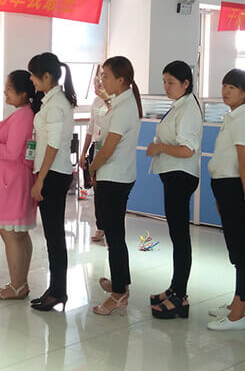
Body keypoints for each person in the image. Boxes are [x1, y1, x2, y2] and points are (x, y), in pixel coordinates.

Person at [207, 68, 245, 331]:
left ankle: (239, 314)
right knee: (234, 247)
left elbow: (244, 163)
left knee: (240, 250)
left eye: (232, 87)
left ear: (244, 92)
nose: (225, 91)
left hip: (233, 187)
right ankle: (235, 303)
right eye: (224, 86)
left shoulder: (243, 119)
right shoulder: (233, 116)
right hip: (224, 186)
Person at [147, 61, 202, 319]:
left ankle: (180, 296)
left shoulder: (188, 109)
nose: (166, 87)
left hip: (181, 176)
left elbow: (187, 149)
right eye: (164, 81)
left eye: (171, 82)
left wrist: (159, 148)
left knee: (180, 238)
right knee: (176, 236)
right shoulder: (179, 105)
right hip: (173, 176)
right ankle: (174, 288)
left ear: (185, 83)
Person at [90, 56, 143, 316]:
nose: (102, 80)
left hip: (114, 177)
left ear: (121, 80)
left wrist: (92, 167)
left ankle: (119, 293)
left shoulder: (123, 108)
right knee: (115, 236)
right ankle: (121, 282)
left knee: (114, 237)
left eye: (107, 76)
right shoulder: (120, 102)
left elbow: (109, 147)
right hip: (115, 175)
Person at [0, 70, 39, 300]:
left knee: (12, 234)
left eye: (9, 88)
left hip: (11, 184)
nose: (5, 92)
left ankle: (17, 285)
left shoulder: (23, 116)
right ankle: (20, 283)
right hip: (11, 182)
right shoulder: (22, 114)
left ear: (23, 93)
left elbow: (12, 152)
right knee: (18, 234)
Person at [27, 52, 76, 312]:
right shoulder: (53, 100)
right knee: (53, 236)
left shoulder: (56, 104)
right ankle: (55, 289)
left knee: (55, 237)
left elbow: (54, 145)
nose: (31, 80)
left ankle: (58, 291)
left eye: (33, 76)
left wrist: (40, 180)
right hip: (54, 172)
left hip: (54, 174)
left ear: (46, 76)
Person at [79, 71, 110, 244]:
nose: (98, 85)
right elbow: (91, 128)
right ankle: (101, 226)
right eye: (96, 81)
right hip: (95, 147)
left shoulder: (115, 102)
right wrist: (84, 152)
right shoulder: (96, 101)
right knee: (96, 188)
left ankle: (110, 227)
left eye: (101, 81)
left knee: (107, 188)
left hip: (109, 148)